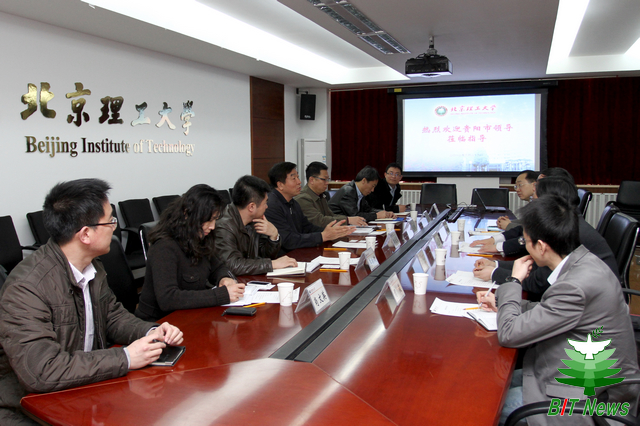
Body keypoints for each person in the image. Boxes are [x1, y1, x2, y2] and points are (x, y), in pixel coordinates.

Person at [0, 179, 184, 425]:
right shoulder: (26, 287)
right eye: (110, 221)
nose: (115, 228)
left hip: (83, 388)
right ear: (86, 234)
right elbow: (42, 371)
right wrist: (126, 358)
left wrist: (151, 331)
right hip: (28, 408)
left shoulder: (92, 266)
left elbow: (113, 316)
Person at [476, 195, 639, 425]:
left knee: (483, 403)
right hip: (567, 371)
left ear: (541, 247)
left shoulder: (575, 285)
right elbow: (551, 310)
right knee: (486, 379)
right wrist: (504, 302)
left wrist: (513, 281)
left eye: (526, 241)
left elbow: (509, 334)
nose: (524, 247)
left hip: (586, 400)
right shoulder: (583, 261)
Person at [473, 176, 619, 298]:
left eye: (535, 196)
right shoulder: (568, 223)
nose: (533, 200)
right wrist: (496, 265)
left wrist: (495, 274)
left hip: (591, 313)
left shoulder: (569, 233)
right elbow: (536, 267)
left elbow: (539, 282)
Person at [135, 184, 246, 321]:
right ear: (187, 214)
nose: (212, 226)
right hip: (159, 322)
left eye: (215, 220)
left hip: (190, 315)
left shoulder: (199, 236)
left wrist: (224, 278)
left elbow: (217, 266)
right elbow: (168, 298)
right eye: (209, 220)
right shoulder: (164, 247)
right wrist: (221, 295)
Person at [264, 162, 355, 255]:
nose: (299, 182)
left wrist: (332, 232)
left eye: (298, 177)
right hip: (281, 258)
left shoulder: (293, 203)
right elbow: (287, 240)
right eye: (294, 178)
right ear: (280, 185)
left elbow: (307, 227)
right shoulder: (271, 206)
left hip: (296, 252)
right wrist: (322, 236)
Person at [215, 175, 297, 275]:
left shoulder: (255, 219)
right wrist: (272, 264)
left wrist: (273, 237)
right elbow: (233, 265)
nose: (267, 207)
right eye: (265, 203)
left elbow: (264, 255)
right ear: (251, 207)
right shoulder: (224, 226)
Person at [294, 161, 367, 228]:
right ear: (312, 180)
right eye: (324, 179)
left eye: (328, 179)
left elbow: (331, 216)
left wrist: (350, 219)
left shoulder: (321, 195)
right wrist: (347, 220)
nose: (327, 183)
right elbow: (319, 221)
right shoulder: (302, 198)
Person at [328, 165, 395, 222]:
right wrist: (376, 216)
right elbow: (355, 216)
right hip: (335, 225)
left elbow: (367, 209)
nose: (372, 190)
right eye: (373, 186)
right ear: (364, 181)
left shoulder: (359, 192)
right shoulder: (348, 191)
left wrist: (384, 213)